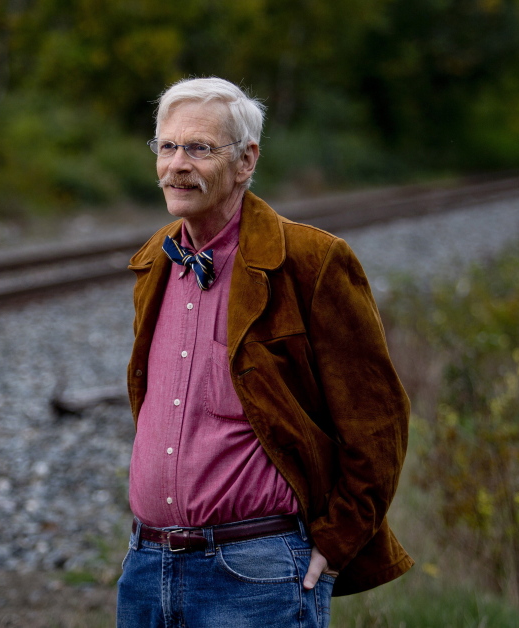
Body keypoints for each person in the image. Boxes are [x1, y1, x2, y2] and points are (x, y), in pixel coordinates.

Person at [117, 77, 413, 627]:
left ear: (246, 160)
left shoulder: (311, 261)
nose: (177, 164)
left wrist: (337, 541)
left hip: (257, 573)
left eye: (200, 148)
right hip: (147, 565)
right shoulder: (155, 262)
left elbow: (379, 419)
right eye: (167, 146)